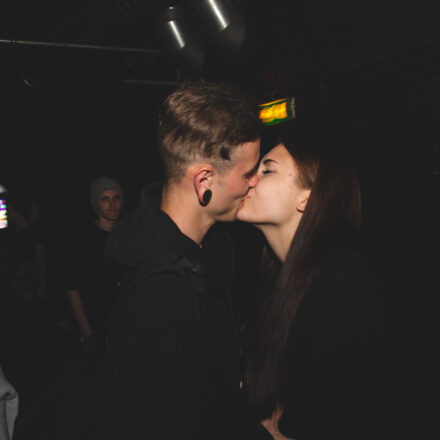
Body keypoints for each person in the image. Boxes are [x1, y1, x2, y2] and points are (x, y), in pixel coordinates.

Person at [98, 80, 261, 440]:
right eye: (248, 173)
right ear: (204, 181)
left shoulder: (214, 248)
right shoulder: (160, 294)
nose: (255, 183)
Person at [237, 129, 399, 440]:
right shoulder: (278, 282)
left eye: (267, 170)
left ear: (306, 198)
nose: (250, 179)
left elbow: (360, 421)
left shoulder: (342, 287)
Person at [65, 176, 124, 344]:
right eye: (105, 199)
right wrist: (87, 331)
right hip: (99, 325)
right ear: (96, 203)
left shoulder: (129, 235)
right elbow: (72, 286)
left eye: (116, 198)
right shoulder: (83, 241)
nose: (112, 204)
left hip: (128, 322)